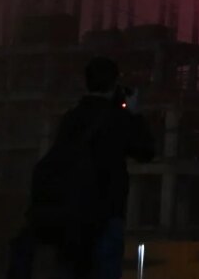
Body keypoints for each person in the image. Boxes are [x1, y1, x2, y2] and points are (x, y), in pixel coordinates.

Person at [18, 57, 154, 279]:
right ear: (114, 84)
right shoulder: (118, 118)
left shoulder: (71, 118)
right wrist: (134, 113)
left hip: (67, 218)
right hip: (105, 215)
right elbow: (146, 151)